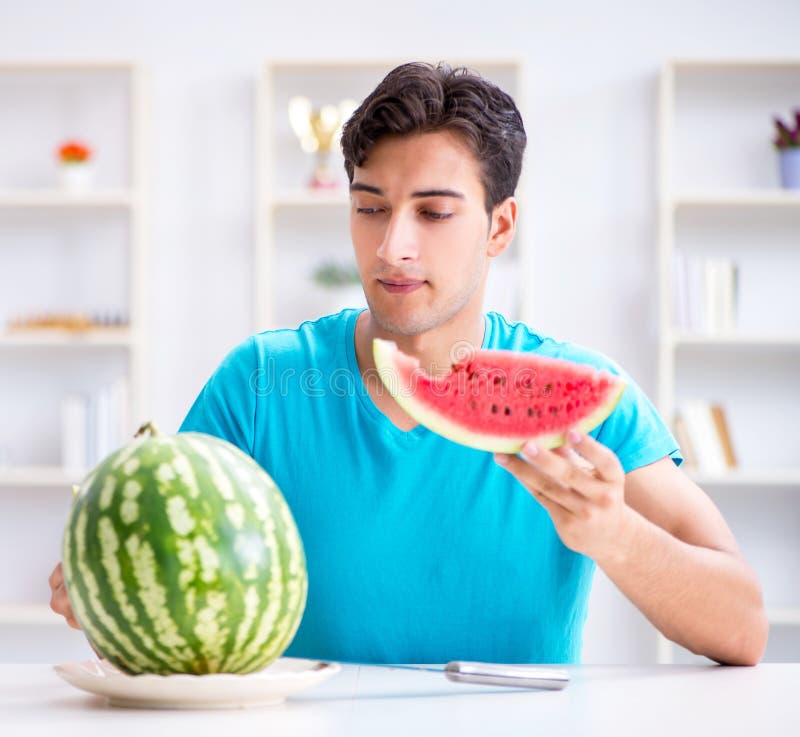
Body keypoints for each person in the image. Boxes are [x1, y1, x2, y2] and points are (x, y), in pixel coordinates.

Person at [49, 62, 768, 666]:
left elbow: (743, 627)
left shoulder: (589, 399)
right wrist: (106, 583)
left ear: (500, 227)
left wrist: (615, 533)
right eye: (371, 207)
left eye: (433, 212)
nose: (393, 246)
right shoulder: (263, 383)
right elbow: (168, 572)